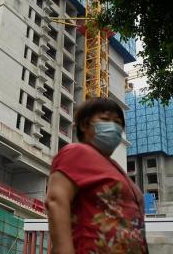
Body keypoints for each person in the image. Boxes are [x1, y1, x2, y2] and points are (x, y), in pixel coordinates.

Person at [45, 98, 148, 254]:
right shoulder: (76, 152)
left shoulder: (117, 169)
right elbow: (56, 201)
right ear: (84, 125)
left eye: (118, 122)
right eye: (105, 119)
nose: (114, 127)